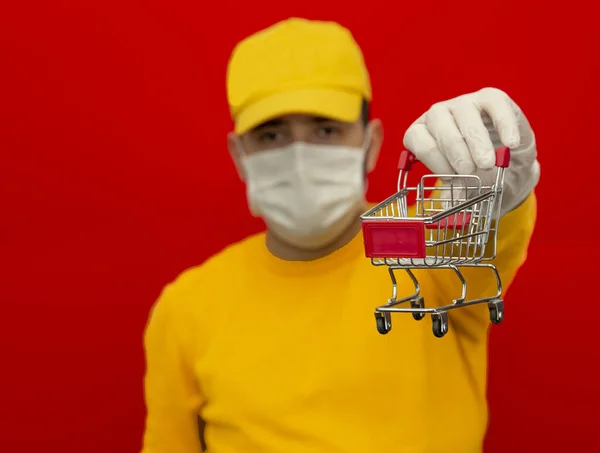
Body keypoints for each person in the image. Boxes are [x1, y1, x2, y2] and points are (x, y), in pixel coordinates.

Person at [141, 17, 540, 453]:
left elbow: (488, 236)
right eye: (271, 134)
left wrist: (498, 189)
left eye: (326, 129)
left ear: (371, 144)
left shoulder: (423, 245)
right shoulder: (187, 308)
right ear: (240, 155)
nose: (299, 156)